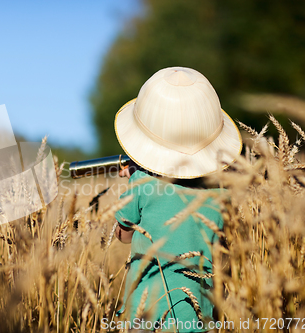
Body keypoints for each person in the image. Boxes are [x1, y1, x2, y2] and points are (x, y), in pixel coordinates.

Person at [113, 67, 242, 332]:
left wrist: (133, 182)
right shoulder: (222, 190)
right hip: (201, 316)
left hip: (145, 314)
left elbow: (124, 236)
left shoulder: (141, 184)